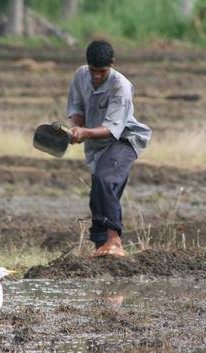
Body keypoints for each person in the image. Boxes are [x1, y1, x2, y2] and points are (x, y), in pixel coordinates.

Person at [66, 40, 151, 257]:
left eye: (101, 72)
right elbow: (76, 107)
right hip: (98, 146)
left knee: (105, 180)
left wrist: (83, 133)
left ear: (112, 64)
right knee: (98, 193)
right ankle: (101, 246)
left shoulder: (120, 86)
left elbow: (112, 129)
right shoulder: (80, 76)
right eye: (93, 70)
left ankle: (115, 242)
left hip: (124, 140)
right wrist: (76, 127)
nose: (96, 76)